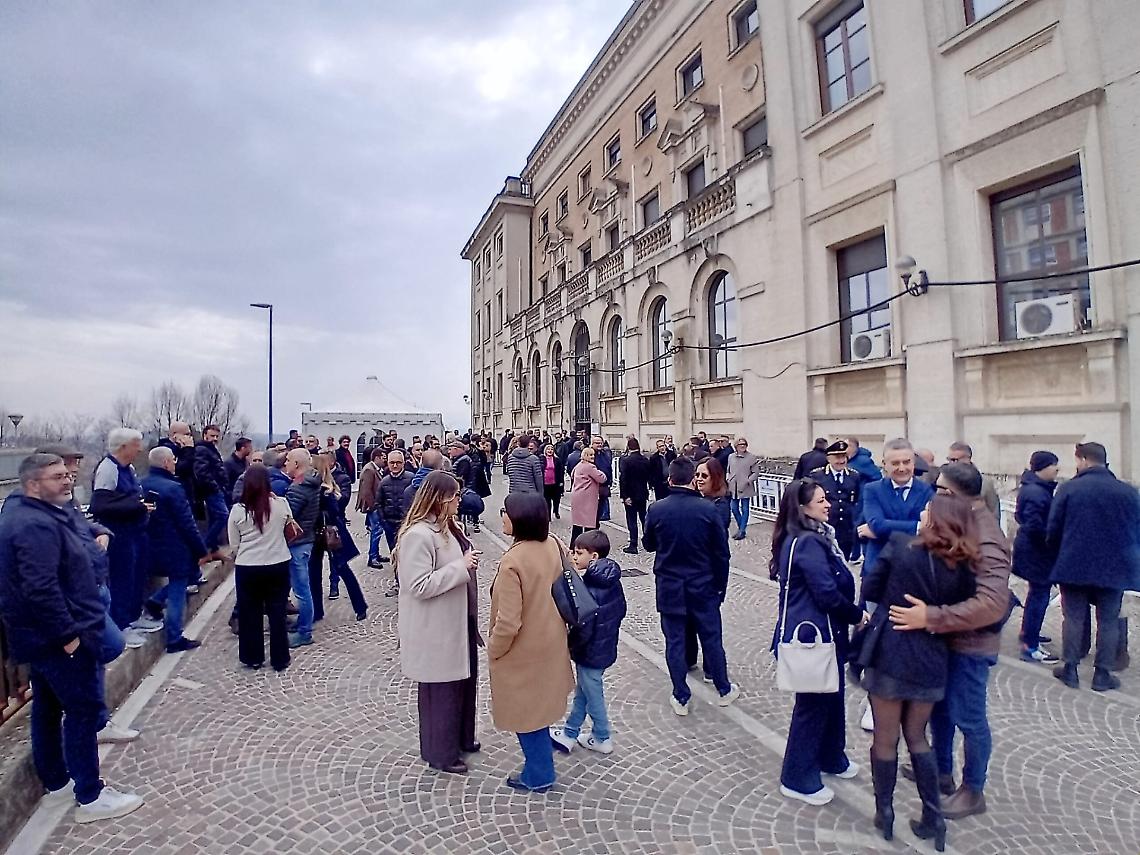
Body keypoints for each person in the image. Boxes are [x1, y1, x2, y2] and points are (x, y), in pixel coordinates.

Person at [0, 453, 145, 823]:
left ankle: (57, 783)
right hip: (60, 637)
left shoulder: (40, 512)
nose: (66, 481)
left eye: (66, 475)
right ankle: (90, 795)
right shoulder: (33, 524)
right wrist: (69, 638)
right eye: (56, 477)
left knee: (47, 709)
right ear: (33, 484)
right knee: (81, 713)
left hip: (44, 638)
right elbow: (40, 588)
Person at [892, 461, 1013, 820]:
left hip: (971, 645)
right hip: (947, 639)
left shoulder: (988, 535)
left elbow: (991, 603)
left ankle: (973, 790)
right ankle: (941, 771)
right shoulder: (961, 520)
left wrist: (932, 616)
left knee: (969, 718)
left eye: (939, 490)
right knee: (940, 711)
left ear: (952, 494)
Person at [860, 496, 979, 849]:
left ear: (935, 520)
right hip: (931, 656)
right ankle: (933, 818)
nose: (922, 513)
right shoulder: (965, 564)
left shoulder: (899, 546)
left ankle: (885, 812)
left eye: (927, 511)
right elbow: (965, 612)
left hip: (891, 652)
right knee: (917, 736)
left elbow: (870, 588)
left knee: (885, 738)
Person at [769, 478, 866, 806]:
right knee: (812, 705)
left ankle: (830, 756)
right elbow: (825, 592)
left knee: (832, 696)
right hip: (815, 636)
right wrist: (856, 615)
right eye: (821, 500)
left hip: (829, 633)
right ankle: (796, 776)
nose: (828, 504)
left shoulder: (817, 536)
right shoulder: (808, 542)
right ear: (803, 507)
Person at [488, 493, 575, 792]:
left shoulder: (513, 560)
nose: (501, 516)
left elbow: (508, 621)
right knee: (539, 703)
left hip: (523, 649)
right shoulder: (551, 543)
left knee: (524, 712)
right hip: (551, 639)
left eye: (505, 511)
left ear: (519, 519)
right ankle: (542, 758)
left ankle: (539, 773)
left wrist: (494, 649)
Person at [396, 471, 482, 774]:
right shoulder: (418, 535)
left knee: (463, 683)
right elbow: (417, 585)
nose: (460, 500)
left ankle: (461, 738)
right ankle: (440, 752)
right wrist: (461, 566)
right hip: (436, 628)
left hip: (459, 621)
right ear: (440, 499)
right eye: (455, 495)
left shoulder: (447, 528)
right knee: (441, 692)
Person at [644, 457, 739, 716]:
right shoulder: (708, 510)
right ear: (692, 480)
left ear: (670, 479)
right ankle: (723, 688)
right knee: (711, 638)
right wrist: (721, 586)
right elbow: (722, 554)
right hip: (703, 585)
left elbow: (648, 544)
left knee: (674, 641)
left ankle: (680, 695)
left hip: (670, 584)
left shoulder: (657, 509)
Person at [1047, 441, 1140, 693]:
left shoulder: (1069, 489)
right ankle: (1102, 674)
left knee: (1073, 617)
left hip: (1074, 564)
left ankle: (1070, 669)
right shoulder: (1128, 492)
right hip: (1114, 568)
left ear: (1084, 460)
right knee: (1108, 620)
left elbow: (1053, 529)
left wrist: (1057, 554)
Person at [549, 529, 627, 756]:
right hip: (604, 648)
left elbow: (584, 627)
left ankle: (602, 736)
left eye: (579, 553)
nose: (574, 557)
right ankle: (570, 733)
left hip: (591, 652)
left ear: (593, 557)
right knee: (583, 693)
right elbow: (621, 610)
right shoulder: (611, 581)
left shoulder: (591, 588)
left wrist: (570, 645)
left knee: (593, 696)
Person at [90, 428, 158, 643]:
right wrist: (136, 506)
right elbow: (100, 504)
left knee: (137, 577)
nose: (139, 450)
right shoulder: (108, 469)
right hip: (119, 534)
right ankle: (121, 625)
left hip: (136, 532)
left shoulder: (127, 468)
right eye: (136, 445)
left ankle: (133, 617)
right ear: (123, 447)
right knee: (122, 580)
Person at [141, 446, 208, 654]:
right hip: (176, 547)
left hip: (149, 545)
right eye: (173, 460)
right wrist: (200, 549)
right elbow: (186, 523)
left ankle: (155, 600)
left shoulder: (140, 484)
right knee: (178, 590)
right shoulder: (173, 488)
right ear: (166, 463)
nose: (175, 464)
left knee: (180, 584)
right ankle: (174, 638)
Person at [228, 464, 293, 672]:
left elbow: (234, 544)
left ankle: (253, 656)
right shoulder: (281, 505)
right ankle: (280, 657)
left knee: (250, 612)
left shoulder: (238, 510)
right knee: (277, 611)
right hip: (278, 562)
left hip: (248, 566)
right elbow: (289, 527)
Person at [857, 439, 934, 576]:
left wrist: (882, 531)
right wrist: (917, 527)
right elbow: (877, 524)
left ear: (914, 463)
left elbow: (931, 529)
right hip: (878, 569)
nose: (902, 468)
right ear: (884, 465)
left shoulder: (927, 491)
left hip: (913, 568)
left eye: (906, 462)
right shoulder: (872, 489)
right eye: (895, 463)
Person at [1012, 451, 1061, 663]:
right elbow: (1033, 525)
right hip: (1037, 553)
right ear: (1043, 467)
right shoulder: (1036, 492)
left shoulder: (1034, 489)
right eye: (1054, 466)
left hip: (1033, 551)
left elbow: (1019, 516)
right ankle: (1030, 645)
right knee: (1039, 596)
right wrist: (1050, 540)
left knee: (1036, 595)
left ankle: (1029, 634)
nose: (1057, 470)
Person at [310, 454, 368, 621]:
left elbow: (335, 511)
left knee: (342, 569)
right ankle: (317, 610)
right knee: (314, 572)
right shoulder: (325, 487)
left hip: (329, 533)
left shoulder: (326, 490)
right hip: (321, 533)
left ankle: (360, 606)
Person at [283, 448, 321, 648]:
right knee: (302, 587)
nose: (285, 464)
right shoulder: (311, 482)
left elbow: (287, 517)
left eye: (288, 460)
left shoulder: (298, 487)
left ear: (296, 464)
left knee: (301, 590)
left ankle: (304, 632)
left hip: (297, 543)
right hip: (306, 539)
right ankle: (302, 624)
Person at [810, 440, 863, 562]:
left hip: (846, 530)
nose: (841, 461)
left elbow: (854, 500)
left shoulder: (854, 476)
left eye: (844, 457)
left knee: (842, 562)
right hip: (825, 528)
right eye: (837, 457)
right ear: (828, 458)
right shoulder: (817, 476)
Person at [193, 425, 229, 559]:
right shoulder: (202, 450)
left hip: (215, 489)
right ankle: (204, 547)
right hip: (211, 490)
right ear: (204, 435)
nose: (215, 439)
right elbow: (201, 472)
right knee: (222, 516)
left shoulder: (211, 449)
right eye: (212, 436)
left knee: (215, 518)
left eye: (216, 436)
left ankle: (213, 549)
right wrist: (215, 486)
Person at [946, 443, 1000, 519]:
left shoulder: (984, 482)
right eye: (949, 460)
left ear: (967, 459)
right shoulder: (945, 480)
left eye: (955, 460)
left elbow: (993, 511)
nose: (951, 464)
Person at [618, 438, 651, 555]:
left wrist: (624, 496)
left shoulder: (626, 461)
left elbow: (623, 480)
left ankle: (633, 544)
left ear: (628, 447)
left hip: (630, 494)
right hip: (642, 493)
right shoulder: (645, 460)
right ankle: (648, 541)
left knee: (632, 520)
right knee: (643, 518)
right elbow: (648, 477)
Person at [570, 446, 607, 547]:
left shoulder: (578, 465)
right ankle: (588, 546)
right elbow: (602, 478)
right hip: (587, 498)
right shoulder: (590, 467)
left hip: (577, 496)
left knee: (577, 524)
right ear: (585, 455)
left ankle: (573, 546)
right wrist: (603, 473)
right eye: (590, 455)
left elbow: (572, 475)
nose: (592, 457)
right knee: (589, 524)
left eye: (593, 455)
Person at [356, 447, 387, 568]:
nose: (385, 461)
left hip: (375, 506)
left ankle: (376, 554)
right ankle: (372, 557)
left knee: (377, 530)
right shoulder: (369, 470)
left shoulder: (375, 468)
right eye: (383, 458)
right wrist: (373, 507)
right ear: (377, 458)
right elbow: (366, 491)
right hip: (373, 507)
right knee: (376, 531)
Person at [724, 437, 760, 540]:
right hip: (733, 485)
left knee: (745, 508)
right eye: (740, 444)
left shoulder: (751, 457)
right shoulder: (731, 457)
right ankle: (741, 529)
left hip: (745, 486)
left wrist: (748, 480)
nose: (742, 446)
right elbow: (728, 469)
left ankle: (741, 530)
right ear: (736, 446)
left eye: (744, 444)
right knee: (734, 508)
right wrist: (728, 477)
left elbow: (756, 472)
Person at [694, 457, 730, 531]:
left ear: (714, 477)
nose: (699, 479)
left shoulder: (720, 505)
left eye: (704, 476)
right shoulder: (697, 497)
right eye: (697, 475)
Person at [592, 436, 614, 523]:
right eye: (597, 443)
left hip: (605, 483)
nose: (599, 444)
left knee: (604, 498)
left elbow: (608, 467)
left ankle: (605, 514)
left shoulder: (605, 453)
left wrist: (610, 480)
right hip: (595, 483)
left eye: (600, 443)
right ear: (592, 444)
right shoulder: (591, 453)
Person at [223, 437, 252, 504]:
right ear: (243, 448)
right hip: (232, 500)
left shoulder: (246, 462)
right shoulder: (228, 464)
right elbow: (225, 483)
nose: (251, 450)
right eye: (249, 447)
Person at [541, 444, 565, 521]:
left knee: (556, 499)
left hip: (555, 483)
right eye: (548, 449)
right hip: (545, 483)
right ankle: (548, 515)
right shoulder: (542, 459)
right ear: (545, 451)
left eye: (551, 449)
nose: (550, 450)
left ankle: (556, 511)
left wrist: (561, 482)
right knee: (547, 500)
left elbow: (561, 471)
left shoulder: (557, 460)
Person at [647, 439, 673, 503]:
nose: (662, 448)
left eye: (663, 446)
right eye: (660, 446)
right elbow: (651, 472)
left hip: (670, 483)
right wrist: (651, 484)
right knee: (660, 502)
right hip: (659, 484)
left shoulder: (671, 454)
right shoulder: (654, 458)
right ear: (657, 448)